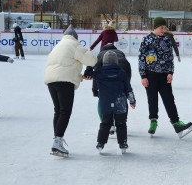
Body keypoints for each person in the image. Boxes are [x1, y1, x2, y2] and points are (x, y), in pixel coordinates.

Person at [44, 25, 97, 157]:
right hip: (64, 81)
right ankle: (57, 141)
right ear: (75, 37)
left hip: (51, 80)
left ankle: (56, 139)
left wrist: (80, 76)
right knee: (65, 111)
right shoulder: (74, 45)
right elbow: (91, 60)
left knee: (58, 110)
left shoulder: (58, 45)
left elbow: (64, 65)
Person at [138, 17, 192, 137]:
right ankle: (153, 122)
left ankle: (176, 123)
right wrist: (143, 76)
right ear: (155, 27)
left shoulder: (167, 40)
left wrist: (170, 73)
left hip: (164, 76)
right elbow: (141, 59)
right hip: (150, 75)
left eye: (164, 27)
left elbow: (170, 58)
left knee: (169, 99)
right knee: (152, 99)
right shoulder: (147, 40)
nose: (163, 30)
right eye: (161, 27)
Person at [85, 50, 136, 152]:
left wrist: (89, 66)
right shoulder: (122, 73)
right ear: (116, 62)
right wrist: (132, 101)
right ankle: (123, 144)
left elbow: (88, 74)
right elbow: (128, 88)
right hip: (120, 103)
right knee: (121, 124)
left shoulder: (99, 73)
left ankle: (100, 143)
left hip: (105, 104)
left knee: (105, 123)